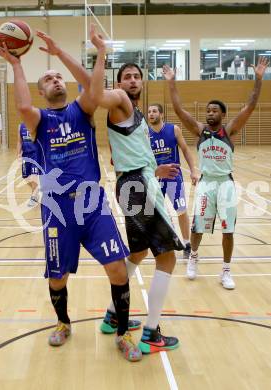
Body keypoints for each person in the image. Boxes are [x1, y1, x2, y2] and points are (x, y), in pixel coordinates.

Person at [0, 33, 142, 362]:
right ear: (41, 92)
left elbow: (92, 88)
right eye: (47, 79)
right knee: (57, 277)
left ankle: (122, 333)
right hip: (57, 208)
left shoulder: (82, 110)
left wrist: (71, 54)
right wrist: (17, 65)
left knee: (117, 269)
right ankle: (63, 322)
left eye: (58, 76)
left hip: (92, 203)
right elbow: (20, 105)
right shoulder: (39, 120)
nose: (55, 79)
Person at [90, 25, 183, 355]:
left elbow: (130, 154)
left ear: (142, 82)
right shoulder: (118, 100)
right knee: (168, 258)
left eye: (136, 76)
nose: (131, 80)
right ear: (119, 83)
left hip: (136, 182)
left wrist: (153, 169)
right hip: (139, 188)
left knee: (139, 253)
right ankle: (150, 332)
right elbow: (97, 96)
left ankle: (112, 316)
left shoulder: (139, 115)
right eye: (126, 76)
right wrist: (100, 53)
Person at [162, 56, 269, 289]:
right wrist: (172, 82)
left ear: (222, 114)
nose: (209, 113)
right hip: (206, 184)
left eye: (214, 110)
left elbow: (250, 106)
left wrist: (258, 79)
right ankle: (194, 258)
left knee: (228, 229)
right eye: (208, 110)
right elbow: (179, 110)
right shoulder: (200, 131)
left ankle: (226, 271)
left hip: (226, 185)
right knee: (198, 226)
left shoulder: (229, 130)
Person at [148, 103, 198, 259]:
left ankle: (187, 243)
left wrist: (193, 170)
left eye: (154, 111)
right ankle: (165, 241)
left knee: (181, 211)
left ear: (161, 114)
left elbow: (185, 150)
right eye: (149, 112)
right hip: (155, 178)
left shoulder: (174, 129)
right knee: (157, 213)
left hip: (174, 178)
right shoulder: (144, 134)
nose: (151, 114)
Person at [17, 122, 39, 207]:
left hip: (35, 154)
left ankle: (33, 197)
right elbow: (19, 141)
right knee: (26, 177)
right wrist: (18, 154)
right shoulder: (20, 126)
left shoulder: (36, 124)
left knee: (34, 175)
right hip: (25, 155)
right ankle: (36, 190)